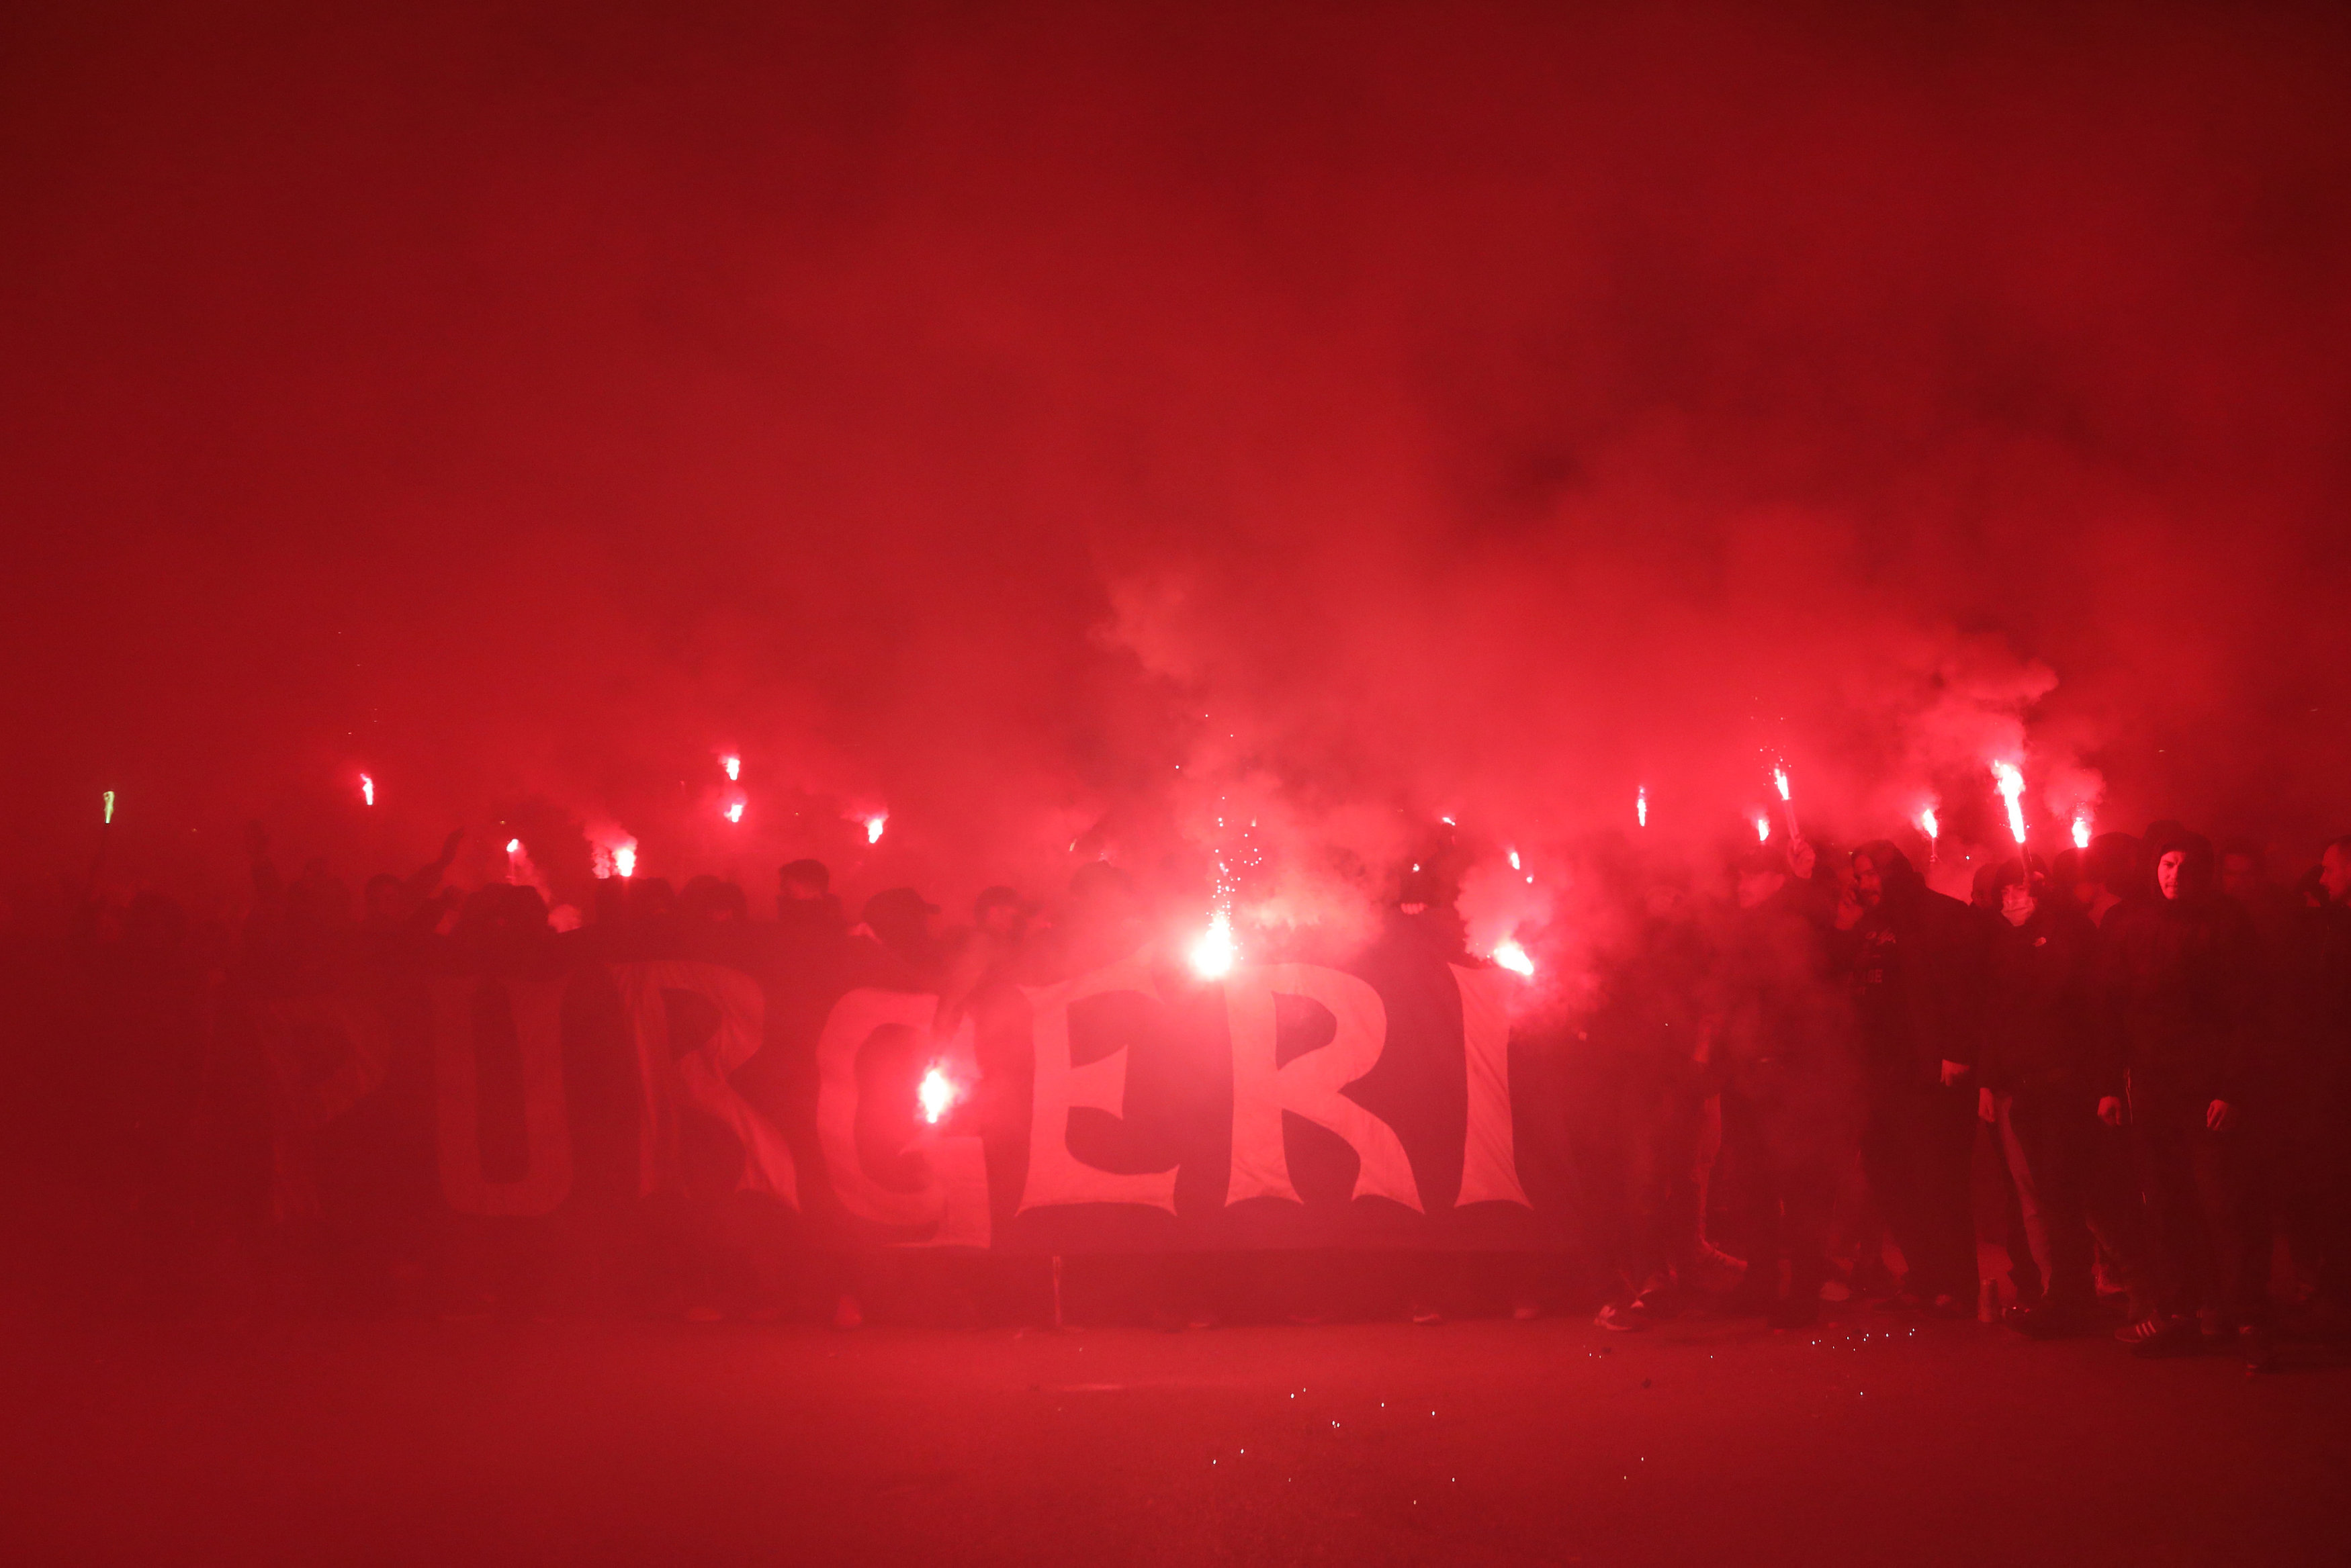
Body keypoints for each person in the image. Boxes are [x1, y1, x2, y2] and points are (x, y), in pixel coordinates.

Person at [2096, 828, 2270, 1365]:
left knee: (2223, 1204)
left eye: (2186, 867)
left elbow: (2245, 1014)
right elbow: (2111, 1010)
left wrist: (2231, 1089)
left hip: (2206, 1089)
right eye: (2167, 864)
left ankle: (2246, 1318)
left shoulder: (2225, 924)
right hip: (2152, 1087)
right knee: (2166, 1204)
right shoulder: (2128, 923)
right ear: (2154, 866)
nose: (2175, 876)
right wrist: (2109, 1083)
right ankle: (2181, 1311)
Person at [1976, 855, 2147, 1336]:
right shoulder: (2004, 943)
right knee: (2051, 1199)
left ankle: (2145, 1292)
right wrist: (1991, 1078)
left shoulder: (2068, 932)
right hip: (2026, 1086)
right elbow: (1996, 1013)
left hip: (2067, 1083)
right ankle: (2068, 1297)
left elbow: (2088, 1005)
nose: (2012, 899)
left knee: (2091, 1194)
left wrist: (2105, 1085)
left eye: (2021, 889)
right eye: (2005, 891)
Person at [1707, 841, 1858, 1329]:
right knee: (1753, 1185)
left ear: (1776, 880)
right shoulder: (1750, 927)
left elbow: (1827, 939)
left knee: (1801, 1186)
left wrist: (1800, 883)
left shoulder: (1806, 917)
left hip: (1798, 1075)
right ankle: (1761, 1280)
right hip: (1750, 1073)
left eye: (1751, 875)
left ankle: (1805, 1289)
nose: (1740, 886)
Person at [1847, 840, 1984, 1316]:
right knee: (1890, 1175)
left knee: (1937, 1179)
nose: (1865, 885)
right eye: (1859, 876)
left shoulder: (1940, 915)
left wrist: (1957, 1051)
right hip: (1881, 1074)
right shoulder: (1869, 926)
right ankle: (1924, 1273)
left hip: (1928, 1073)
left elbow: (1964, 991)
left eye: (1871, 874)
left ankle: (1957, 1282)